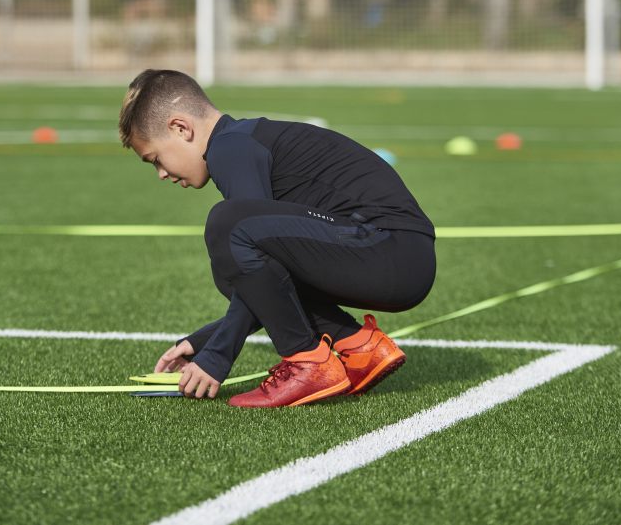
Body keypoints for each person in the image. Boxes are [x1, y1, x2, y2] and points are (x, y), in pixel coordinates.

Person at [118, 69, 436, 408]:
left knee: (227, 227)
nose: (162, 173)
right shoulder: (239, 140)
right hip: (398, 256)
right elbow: (264, 275)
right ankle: (360, 347)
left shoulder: (229, 147)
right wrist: (204, 341)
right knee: (238, 266)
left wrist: (216, 356)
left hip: (389, 249)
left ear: (181, 128)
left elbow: (243, 239)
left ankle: (306, 362)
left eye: (155, 160)